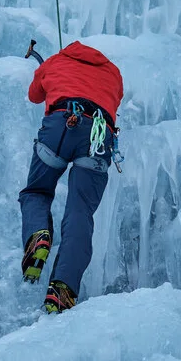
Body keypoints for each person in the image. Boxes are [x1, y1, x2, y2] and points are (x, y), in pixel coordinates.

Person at [20, 41, 123, 313]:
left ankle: (37, 236)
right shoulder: (113, 72)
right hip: (99, 135)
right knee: (80, 210)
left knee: (37, 192)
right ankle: (63, 288)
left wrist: (46, 72)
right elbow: (113, 100)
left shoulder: (55, 61)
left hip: (61, 124)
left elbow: (35, 96)